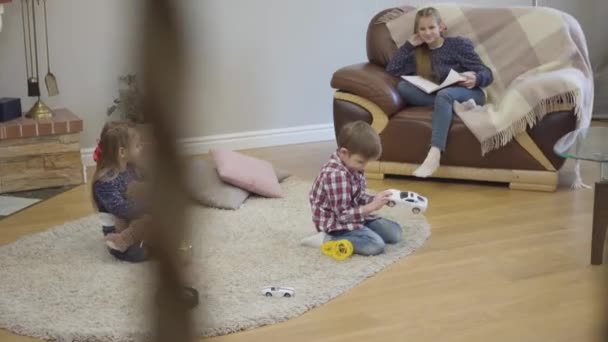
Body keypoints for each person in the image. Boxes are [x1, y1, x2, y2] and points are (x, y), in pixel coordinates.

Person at [385, 6, 494, 177]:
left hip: (469, 92)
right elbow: (392, 70)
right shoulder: (417, 54)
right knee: (402, 87)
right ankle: (453, 106)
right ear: (417, 32)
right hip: (441, 95)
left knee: (445, 95)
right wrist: (408, 45)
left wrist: (477, 79)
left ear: (441, 27)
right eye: (422, 29)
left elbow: (487, 73)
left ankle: (434, 154)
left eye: (431, 27)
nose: (427, 33)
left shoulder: (458, 45)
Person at [309, 121, 402, 256]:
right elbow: (342, 216)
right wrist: (371, 207)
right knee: (375, 245)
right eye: (361, 162)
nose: (364, 167)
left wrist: (375, 199)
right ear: (343, 152)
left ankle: (361, 231)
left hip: (355, 215)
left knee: (394, 233)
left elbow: (358, 196)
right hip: (336, 224)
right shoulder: (336, 175)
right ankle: (326, 239)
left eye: (367, 162)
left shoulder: (353, 165)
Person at [91, 122, 149, 261]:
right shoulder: (104, 182)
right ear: (122, 152)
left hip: (135, 221)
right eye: (137, 146)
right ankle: (121, 243)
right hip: (118, 229)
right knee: (139, 253)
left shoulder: (130, 169)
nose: (141, 148)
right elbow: (121, 209)